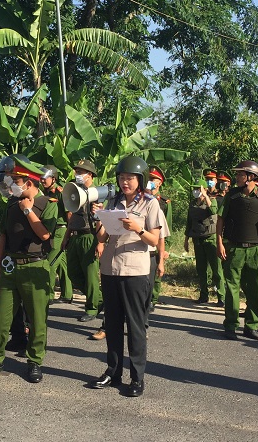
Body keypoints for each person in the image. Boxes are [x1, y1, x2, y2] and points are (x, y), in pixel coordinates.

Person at [0, 155, 57, 383]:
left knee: (38, 320)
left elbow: (45, 235)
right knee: (0, 319)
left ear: (28, 182)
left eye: (14, 180)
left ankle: (35, 362)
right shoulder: (10, 205)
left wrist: (29, 211)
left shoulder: (48, 205)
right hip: (10, 267)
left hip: (35, 267)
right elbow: (3, 237)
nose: (9, 186)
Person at [89, 155, 163, 397]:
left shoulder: (150, 203)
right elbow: (101, 238)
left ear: (140, 180)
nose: (125, 182)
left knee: (135, 326)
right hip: (111, 268)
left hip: (135, 270)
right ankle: (113, 371)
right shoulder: (113, 200)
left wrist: (138, 228)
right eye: (121, 178)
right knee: (112, 323)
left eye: (130, 178)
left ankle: (137, 377)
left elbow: (154, 239)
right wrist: (99, 218)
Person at [216, 160, 258, 340]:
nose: (236, 177)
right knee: (231, 288)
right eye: (237, 174)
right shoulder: (232, 195)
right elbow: (221, 219)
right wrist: (220, 243)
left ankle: (252, 326)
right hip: (234, 248)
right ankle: (230, 325)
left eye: (240, 174)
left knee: (254, 288)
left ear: (251, 177)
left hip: (257, 249)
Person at [63, 159, 104, 322]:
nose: (77, 175)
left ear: (90, 175)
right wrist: (67, 236)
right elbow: (72, 218)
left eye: (81, 172)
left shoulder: (97, 193)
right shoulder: (75, 191)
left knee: (90, 275)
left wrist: (100, 242)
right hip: (75, 236)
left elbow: (103, 218)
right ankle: (100, 299)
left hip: (90, 237)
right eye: (76, 172)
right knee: (73, 272)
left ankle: (92, 308)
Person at [185, 178, 223, 305]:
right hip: (197, 239)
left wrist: (206, 195)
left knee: (216, 269)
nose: (196, 191)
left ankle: (221, 296)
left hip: (210, 239)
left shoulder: (211, 201)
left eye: (198, 189)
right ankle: (204, 295)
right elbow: (189, 222)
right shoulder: (192, 204)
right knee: (201, 270)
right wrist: (186, 239)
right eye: (194, 189)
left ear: (204, 189)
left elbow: (213, 212)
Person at [42, 165, 72, 304]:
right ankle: (67, 294)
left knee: (51, 262)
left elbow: (69, 213)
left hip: (60, 229)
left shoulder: (60, 192)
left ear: (53, 178)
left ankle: (48, 295)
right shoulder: (46, 192)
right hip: (52, 229)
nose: (42, 180)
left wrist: (70, 232)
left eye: (45, 178)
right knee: (62, 264)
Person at [146, 166, 169, 312]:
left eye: (153, 180)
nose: (150, 182)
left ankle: (153, 299)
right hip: (146, 241)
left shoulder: (164, 202)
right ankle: (148, 300)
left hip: (159, 241)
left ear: (159, 183)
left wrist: (166, 249)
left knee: (156, 274)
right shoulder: (142, 198)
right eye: (149, 179)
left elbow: (167, 228)